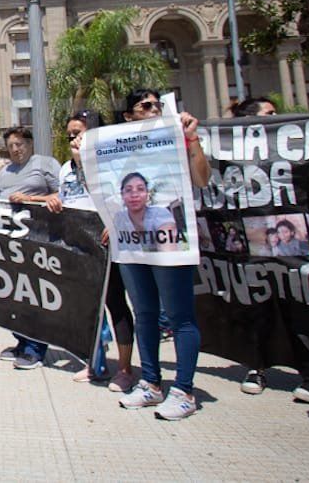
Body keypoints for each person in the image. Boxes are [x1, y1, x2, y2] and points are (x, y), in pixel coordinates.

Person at [114, 89, 210, 420]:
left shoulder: (178, 139)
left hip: (170, 242)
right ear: (128, 116)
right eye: (145, 105)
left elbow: (202, 179)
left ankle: (184, 390)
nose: (154, 109)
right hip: (131, 243)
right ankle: (151, 383)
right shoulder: (117, 147)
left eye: (158, 104)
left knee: (180, 316)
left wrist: (192, 140)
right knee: (144, 314)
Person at [59, 110, 137, 392]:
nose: (73, 139)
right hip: (80, 245)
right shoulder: (65, 168)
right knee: (89, 306)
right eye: (70, 134)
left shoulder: (110, 164)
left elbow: (121, 198)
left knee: (115, 304)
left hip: (107, 244)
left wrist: (114, 223)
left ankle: (125, 369)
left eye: (78, 133)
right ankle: (95, 363)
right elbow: (67, 198)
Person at [0, 126, 62, 370]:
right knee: (14, 297)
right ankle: (21, 342)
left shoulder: (45, 164)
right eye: (11, 146)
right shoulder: (5, 173)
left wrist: (31, 199)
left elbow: (63, 195)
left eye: (19, 144)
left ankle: (35, 349)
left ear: (30, 144)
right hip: (10, 245)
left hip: (38, 242)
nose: (15, 149)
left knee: (34, 296)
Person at [113, 172, 181, 252]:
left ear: (147, 194)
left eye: (140, 189)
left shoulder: (160, 214)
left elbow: (168, 250)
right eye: (128, 190)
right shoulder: (118, 219)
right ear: (122, 195)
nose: (134, 195)